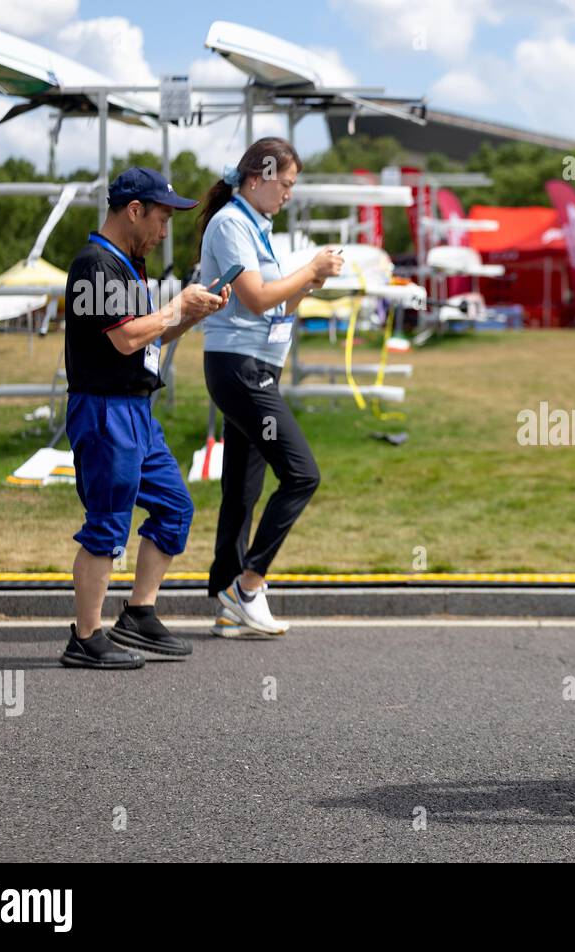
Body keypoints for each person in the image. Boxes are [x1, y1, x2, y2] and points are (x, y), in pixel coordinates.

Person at [61, 168, 229, 669]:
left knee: (175, 508)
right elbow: (126, 338)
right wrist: (177, 304)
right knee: (107, 526)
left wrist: (192, 314)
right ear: (134, 211)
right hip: (105, 411)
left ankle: (137, 614)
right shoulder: (96, 264)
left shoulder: (127, 265)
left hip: (136, 409)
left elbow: (146, 338)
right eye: (161, 218)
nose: (164, 231)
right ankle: (85, 638)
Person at [197, 138, 343, 637]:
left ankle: (224, 595)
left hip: (253, 366)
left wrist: (305, 285)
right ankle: (249, 585)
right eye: (286, 184)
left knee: (242, 487)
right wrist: (309, 270)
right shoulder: (232, 224)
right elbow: (257, 299)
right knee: (302, 475)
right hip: (241, 368)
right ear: (257, 179)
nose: (288, 195)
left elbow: (278, 305)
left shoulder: (255, 225)